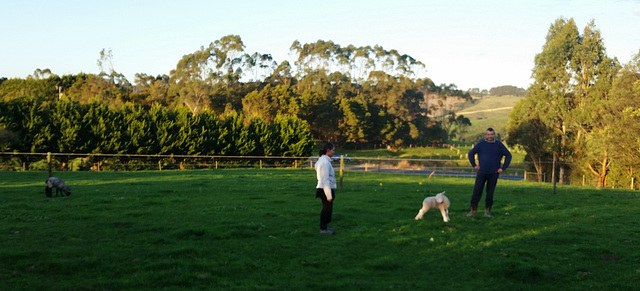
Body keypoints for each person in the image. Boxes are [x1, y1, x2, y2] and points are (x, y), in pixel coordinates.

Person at [467, 128, 512, 218]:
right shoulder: (481, 144)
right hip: (482, 172)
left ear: (494, 135)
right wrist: (474, 165)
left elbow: (508, 155)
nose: (490, 136)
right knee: (476, 192)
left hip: (493, 173)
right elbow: (471, 153)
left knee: (490, 193)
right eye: (488, 134)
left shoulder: (499, 145)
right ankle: (473, 211)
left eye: (491, 134)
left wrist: (503, 168)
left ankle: (487, 212)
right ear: (486, 135)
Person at [315, 142, 337, 234]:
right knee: (326, 209)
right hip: (324, 189)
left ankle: (325, 227)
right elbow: (325, 180)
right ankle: (323, 228)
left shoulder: (323, 161)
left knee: (327, 209)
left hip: (324, 189)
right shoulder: (324, 163)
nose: (333, 152)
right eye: (333, 150)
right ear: (328, 150)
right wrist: (329, 195)